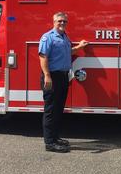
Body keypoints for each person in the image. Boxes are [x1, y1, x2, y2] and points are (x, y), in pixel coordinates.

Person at [38, 12, 88, 153]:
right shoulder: (48, 37)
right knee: (50, 110)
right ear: (54, 22)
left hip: (63, 77)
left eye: (64, 21)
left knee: (58, 109)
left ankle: (55, 137)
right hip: (52, 77)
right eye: (60, 21)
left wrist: (79, 47)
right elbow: (43, 57)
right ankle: (49, 143)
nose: (62, 23)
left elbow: (67, 52)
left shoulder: (65, 37)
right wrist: (47, 76)